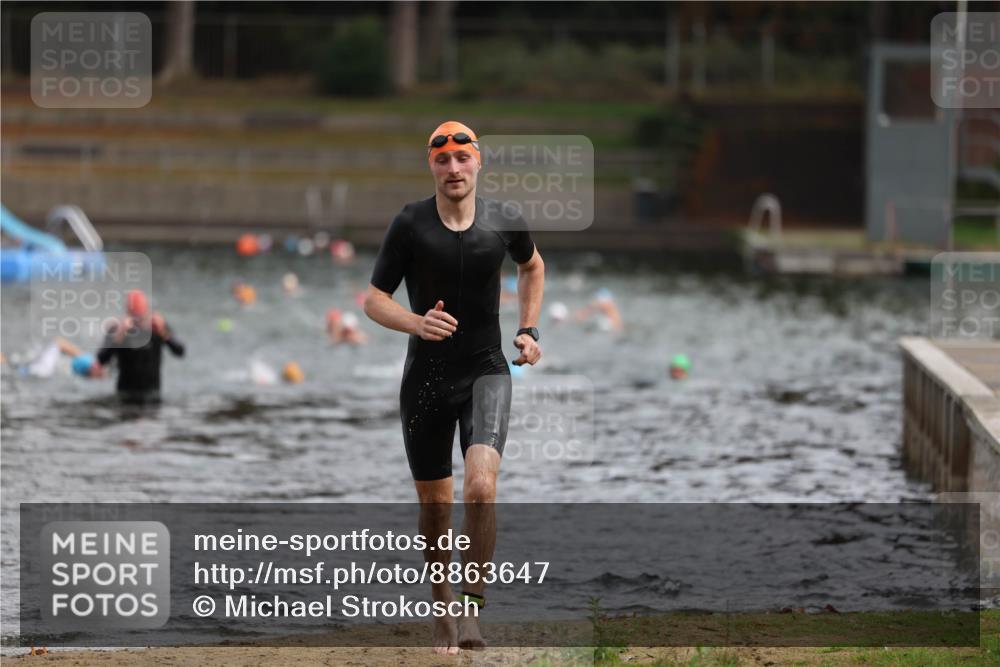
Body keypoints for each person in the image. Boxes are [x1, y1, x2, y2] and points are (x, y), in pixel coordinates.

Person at [363, 121, 544, 654]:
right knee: (437, 506)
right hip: (426, 379)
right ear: (432, 166)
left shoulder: (504, 219)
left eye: (462, 159)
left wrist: (530, 329)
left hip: (487, 367)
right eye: (442, 161)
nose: (453, 169)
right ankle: (441, 601)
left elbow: (533, 267)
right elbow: (374, 299)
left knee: (481, 488)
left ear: (478, 162)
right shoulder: (411, 224)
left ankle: (471, 608)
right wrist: (415, 323)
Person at [92, 289, 185, 404]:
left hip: (153, 394)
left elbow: (180, 352)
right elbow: (101, 360)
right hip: (125, 395)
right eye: (135, 317)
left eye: (141, 316)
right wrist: (118, 338)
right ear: (128, 313)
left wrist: (164, 334)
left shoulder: (158, 326)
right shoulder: (118, 329)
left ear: (147, 311)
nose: (139, 321)